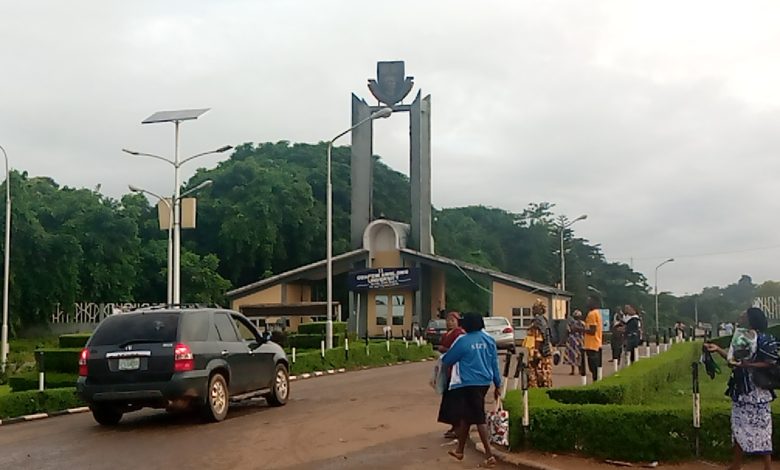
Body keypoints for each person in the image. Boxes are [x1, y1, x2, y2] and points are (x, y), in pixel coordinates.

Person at [705, 307, 778, 470]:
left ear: (751, 319)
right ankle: (736, 465)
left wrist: (747, 365)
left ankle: (767, 466)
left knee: (763, 430)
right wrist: (717, 350)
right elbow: (734, 360)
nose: (741, 316)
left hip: (758, 389)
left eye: (744, 315)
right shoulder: (741, 337)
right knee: (738, 428)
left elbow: (771, 362)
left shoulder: (765, 339)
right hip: (741, 389)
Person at [439, 312, 502, 467]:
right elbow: (494, 364)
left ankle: (489, 455)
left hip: (467, 383)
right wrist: (498, 384)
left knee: (478, 417)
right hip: (484, 382)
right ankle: (459, 450)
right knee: (467, 415)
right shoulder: (489, 340)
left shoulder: (463, 341)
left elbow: (448, 360)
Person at [437, 311, 465, 439]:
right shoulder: (446, 334)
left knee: (455, 400)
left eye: (453, 320)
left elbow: (458, 350)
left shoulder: (459, 334)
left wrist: (445, 350)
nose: (450, 322)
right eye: (448, 320)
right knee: (448, 399)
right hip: (447, 369)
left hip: (456, 371)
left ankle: (458, 427)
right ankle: (454, 425)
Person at [523, 300, 554, 387]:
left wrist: (535, 353)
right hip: (546, 352)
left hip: (540, 352)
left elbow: (538, 338)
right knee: (545, 376)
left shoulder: (538, 321)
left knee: (536, 377)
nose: (533, 311)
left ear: (540, 310)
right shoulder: (544, 320)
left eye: (535, 309)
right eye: (533, 309)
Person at [583, 296, 603, 382]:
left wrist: (578, 329)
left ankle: (595, 382)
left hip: (592, 344)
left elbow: (592, 330)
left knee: (593, 367)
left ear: (594, 303)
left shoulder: (591, 314)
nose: (587, 303)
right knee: (595, 368)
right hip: (596, 343)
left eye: (589, 301)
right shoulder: (597, 313)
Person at [564, 309, 586, 375]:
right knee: (579, 355)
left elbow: (567, 332)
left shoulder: (570, 323)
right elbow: (584, 332)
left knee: (572, 355)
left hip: (572, 340)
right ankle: (579, 370)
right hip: (579, 340)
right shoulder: (583, 323)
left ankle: (573, 371)